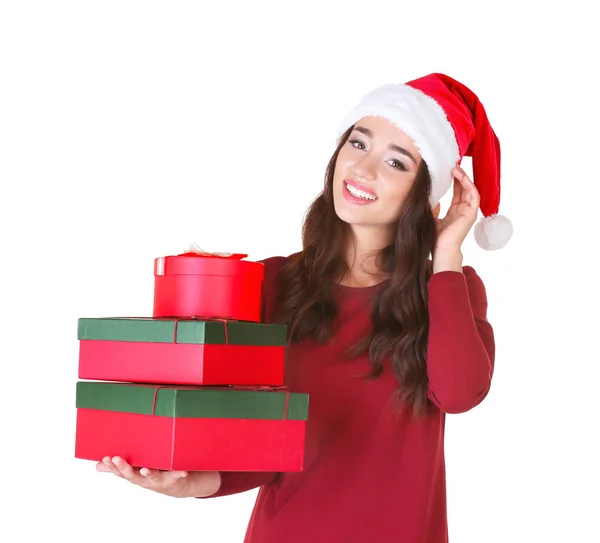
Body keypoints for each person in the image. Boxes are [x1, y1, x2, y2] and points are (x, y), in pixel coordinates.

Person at [96, 72, 513, 542]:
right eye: (359, 144)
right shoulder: (275, 283)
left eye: (397, 163)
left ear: (424, 194)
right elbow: (265, 444)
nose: (364, 169)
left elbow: (459, 395)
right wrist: (194, 482)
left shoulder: (450, 289)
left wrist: (449, 256)